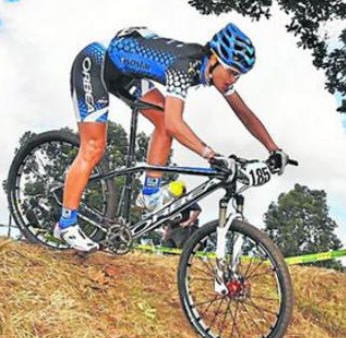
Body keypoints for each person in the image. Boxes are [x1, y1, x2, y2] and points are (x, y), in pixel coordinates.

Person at [55, 23, 290, 251]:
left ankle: (150, 194)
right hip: (95, 62)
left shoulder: (210, 69)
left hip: (127, 72)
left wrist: (273, 148)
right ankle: (66, 224)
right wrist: (209, 154)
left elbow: (243, 112)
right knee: (94, 146)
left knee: (163, 121)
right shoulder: (184, 68)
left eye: (238, 76)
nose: (232, 80)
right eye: (232, 73)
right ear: (215, 59)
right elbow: (175, 122)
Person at [161, 183, 201, 249]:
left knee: (182, 250)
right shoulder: (170, 201)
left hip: (181, 229)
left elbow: (197, 210)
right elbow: (166, 217)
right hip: (171, 229)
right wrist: (166, 230)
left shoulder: (185, 199)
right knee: (167, 251)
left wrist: (188, 222)